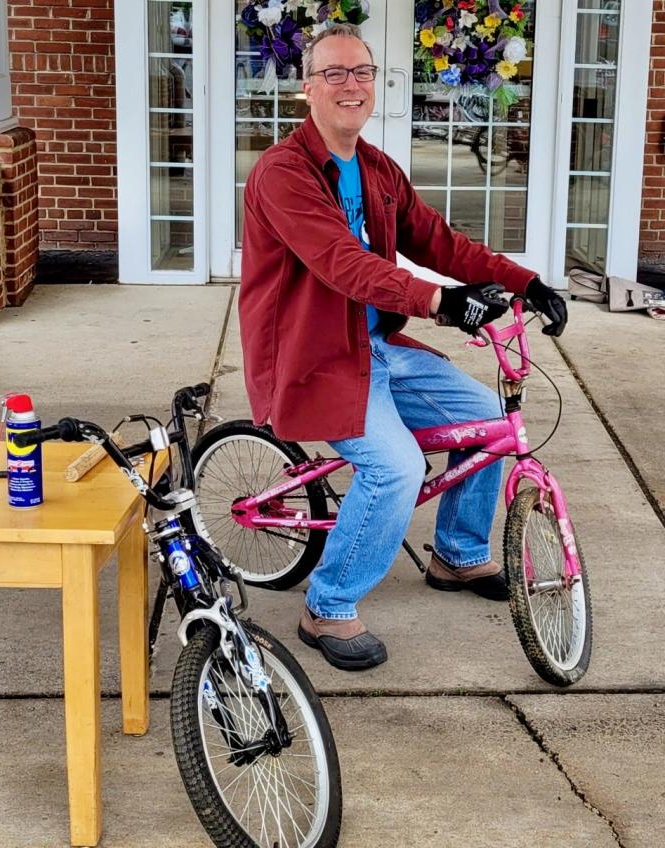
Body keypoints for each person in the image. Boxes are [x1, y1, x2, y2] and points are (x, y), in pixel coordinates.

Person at [239, 23, 568, 671]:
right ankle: (327, 606)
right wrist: (441, 301)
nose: (351, 85)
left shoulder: (377, 169)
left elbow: (441, 243)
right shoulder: (284, 174)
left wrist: (525, 281)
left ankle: (458, 554)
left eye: (361, 72)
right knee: (396, 469)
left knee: (488, 423)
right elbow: (343, 265)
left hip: (376, 350)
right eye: (334, 73)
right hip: (316, 360)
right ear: (308, 89)